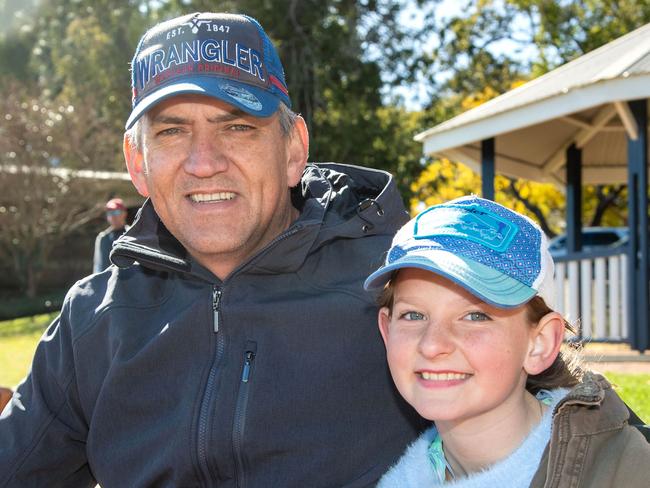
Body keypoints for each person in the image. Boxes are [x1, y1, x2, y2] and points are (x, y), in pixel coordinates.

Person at [0, 12, 424, 487]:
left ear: (292, 150)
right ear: (138, 164)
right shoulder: (93, 322)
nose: (204, 163)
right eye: (172, 131)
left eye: (237, 126)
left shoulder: (403, 284)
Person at [363, 195, 650, 487]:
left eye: (475, 317)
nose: (432, 345)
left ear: (539, 344)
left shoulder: (627, 473)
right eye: (413, 315)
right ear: (387, 331)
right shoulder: (399, 476)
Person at [92, 197, 129, 273]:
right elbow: (99, 266)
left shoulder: (133, 234)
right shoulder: (103, 238)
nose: (113, 216)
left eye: (116, 212)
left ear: (124, 213)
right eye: (110, 213)